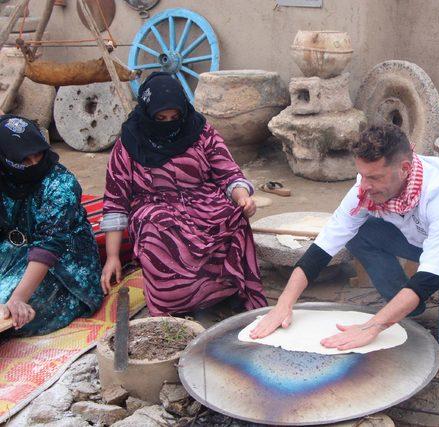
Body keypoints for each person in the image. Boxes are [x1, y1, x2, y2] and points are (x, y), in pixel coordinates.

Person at [251, 124, 439, 360]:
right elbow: (322, 248)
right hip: (423, 237)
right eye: (362, 174)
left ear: (405, 169)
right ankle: (408, 308)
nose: (364, 185)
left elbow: (431, 275)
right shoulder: (366, 187)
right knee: (358, 233)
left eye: (374, 177)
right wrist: (283, 304)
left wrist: (373, 326)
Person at [100, 72, 266, 316]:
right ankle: (176, 302)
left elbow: (228, 172)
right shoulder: (130, 142)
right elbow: (115, 202)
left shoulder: (200, 131)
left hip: (202, 200)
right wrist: (112, 256)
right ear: (148, 114)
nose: (169, 123)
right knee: (158, 226)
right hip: (154, 206)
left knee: (231, 215)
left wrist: (242, 197)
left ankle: (222, 293)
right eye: (161, 118)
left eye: (175, 117)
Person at [0, 114, 103, 336]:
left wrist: (19, 298)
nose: (34, 163)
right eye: (24, 160)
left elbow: (49, 245)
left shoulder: (60, 184)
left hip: (64, 264)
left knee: (7, 305)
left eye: (38, 154)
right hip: (12, 250)